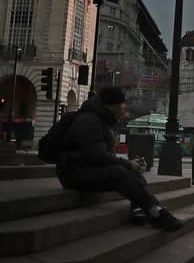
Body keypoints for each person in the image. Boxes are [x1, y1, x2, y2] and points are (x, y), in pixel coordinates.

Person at [56, 87, 182, 231]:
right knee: (120, 173)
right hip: (73, 172)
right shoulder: (89, 121)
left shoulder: (100, 121)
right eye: (123, 103)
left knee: (131, 171)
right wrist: (128, 164)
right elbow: (97, 155)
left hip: (85, 168)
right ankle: (156, 212)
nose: (125, 107)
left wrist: (131, 165)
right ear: (113, 105)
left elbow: (101, 155)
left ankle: (139, 209)